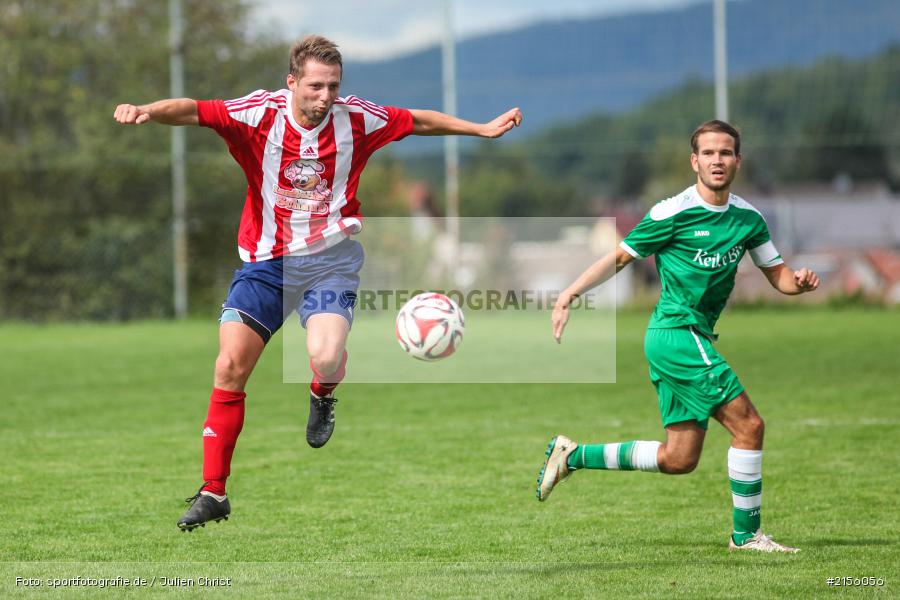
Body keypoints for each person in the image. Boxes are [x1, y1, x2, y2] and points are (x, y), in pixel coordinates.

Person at [114, 35, 523, 531]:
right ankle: (213, 492)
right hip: (266, 265)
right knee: (228, 366)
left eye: (332, 86)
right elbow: (194, 110)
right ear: (292, 82)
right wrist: (148, 111)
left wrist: (479, 129)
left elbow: (417, 120)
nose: (325, 96)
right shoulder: (258, 114)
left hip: (331, 262)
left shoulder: (357, 119)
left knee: (326, 356)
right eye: (314, 86)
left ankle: (322, 392)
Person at [537, 120, 819, 553]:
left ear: (738, 161)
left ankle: (571, 455)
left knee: (679, 458)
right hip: (677, 333)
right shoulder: (672, 212)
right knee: (750, 426)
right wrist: (570, 293)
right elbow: (618, 258)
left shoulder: (748, 219)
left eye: (725, 153)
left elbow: (777, 275)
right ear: (694, 161)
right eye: (708, 153)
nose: (717, 160)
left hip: (688, 336)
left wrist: (798, 281)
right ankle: (746, 537)